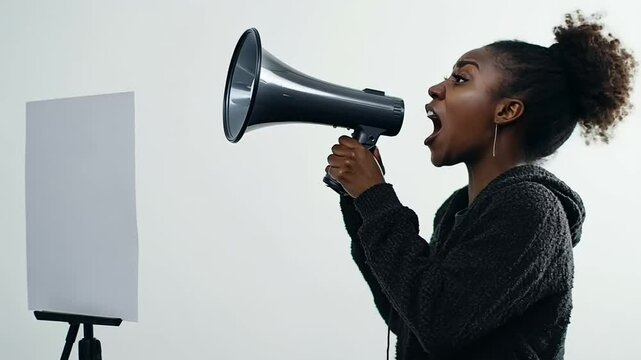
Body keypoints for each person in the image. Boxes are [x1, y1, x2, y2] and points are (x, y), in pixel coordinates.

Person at [325, 10, 636, 360]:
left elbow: (439, 321)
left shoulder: (532, 209)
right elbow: (412, 320)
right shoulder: (459, 210)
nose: (435, 88)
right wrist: (360, 205)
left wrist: (375, 197)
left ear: (506, 112)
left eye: (460, 79)